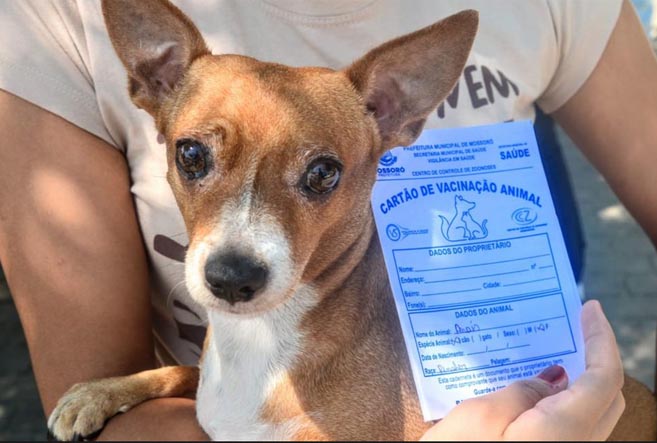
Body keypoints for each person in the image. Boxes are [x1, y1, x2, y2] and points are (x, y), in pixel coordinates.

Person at [0, 0, 655, 440]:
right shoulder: (51, 22)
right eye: (197, 159)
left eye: (316, 177)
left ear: (393, 114)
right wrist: (154, 384)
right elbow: (243, 393)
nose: (237, 249)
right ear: (153, 80)